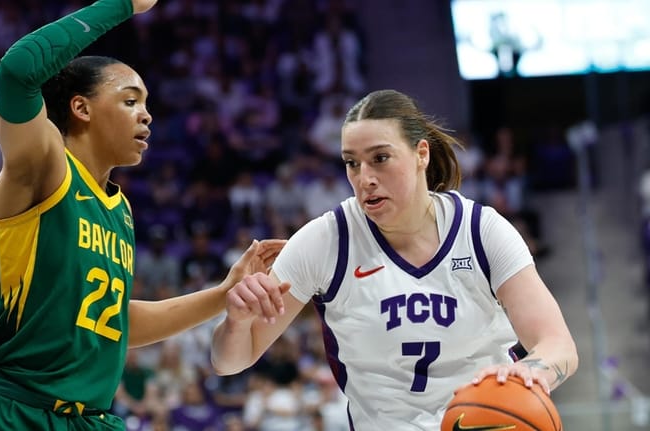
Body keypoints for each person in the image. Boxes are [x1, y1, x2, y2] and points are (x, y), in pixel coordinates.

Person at [0, 1, 286, 430]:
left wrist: (223, 293)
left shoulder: (118, 209)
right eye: (129, 100)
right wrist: (122, 4)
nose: (147, 114)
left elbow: (112, 321)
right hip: (11, 412)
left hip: (90, 419)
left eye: (145, 103)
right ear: (81, 108)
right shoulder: (45, 166)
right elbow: (16, 73)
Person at [211, 89, 578, 430]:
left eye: (380, 159)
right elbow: (229, 361)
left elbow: (557, 344)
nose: (365, 178)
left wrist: (531, 373)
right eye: (352, 163)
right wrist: (237, 322)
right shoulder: (325, 241)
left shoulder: (481, 231)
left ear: (421, 154)